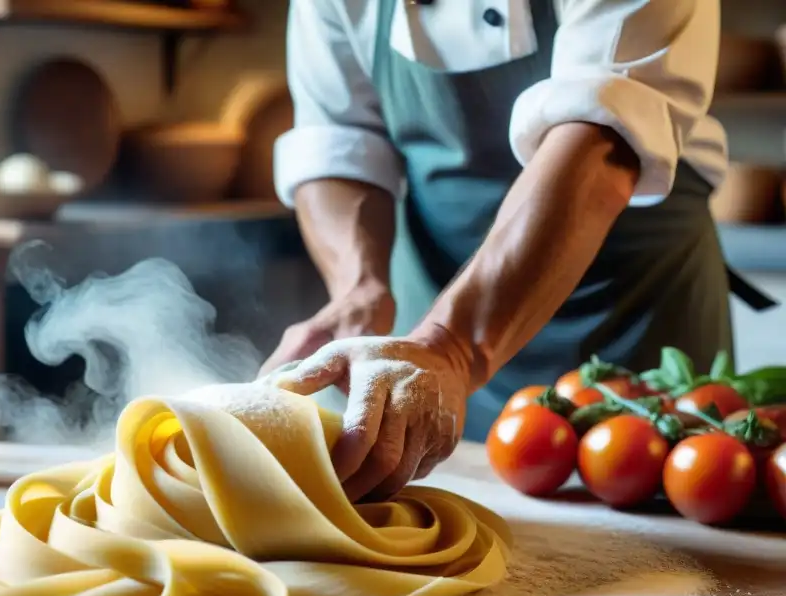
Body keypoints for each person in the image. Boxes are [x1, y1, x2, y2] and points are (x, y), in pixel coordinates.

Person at [260, 0, 776, 503]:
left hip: (631, 316)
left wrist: (452, 347)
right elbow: (339, 138)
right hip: (433, 320)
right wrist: (360, 289)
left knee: (663, 551)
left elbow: (601, 139)